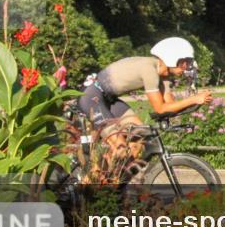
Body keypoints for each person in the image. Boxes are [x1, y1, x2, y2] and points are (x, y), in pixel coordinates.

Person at [78, 37, 212, 166]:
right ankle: (94, 182)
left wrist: (195, 102)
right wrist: (193, 99)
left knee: (139, 139)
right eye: (185, 62)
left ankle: (115, 183)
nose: (187, 66)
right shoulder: (150, 70)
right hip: (91, 97)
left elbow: (169, 107)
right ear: (171, 58)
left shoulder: (163, 76)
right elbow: (160, 108)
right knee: (121, 148)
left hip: (109, 99)